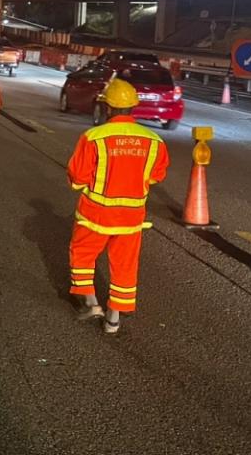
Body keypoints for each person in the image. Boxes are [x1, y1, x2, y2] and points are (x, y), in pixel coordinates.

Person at [66, 78, 170, 335]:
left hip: (96, 212)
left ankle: (91, 304)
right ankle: (113, 319)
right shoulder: (154, 140)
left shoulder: (94, 136)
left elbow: (78, 176)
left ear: (108, 108)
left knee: (82, 254)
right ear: (133, 107)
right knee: (125, 264)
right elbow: (156, 175)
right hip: (132, 216)